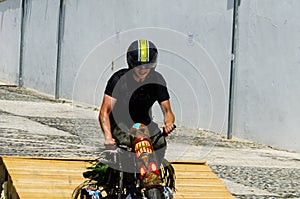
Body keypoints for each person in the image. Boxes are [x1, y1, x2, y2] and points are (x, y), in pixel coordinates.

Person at [98, 39, 175, 157]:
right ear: (132, 64)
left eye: (147, 66)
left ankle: (156, 172)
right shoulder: (118, 80)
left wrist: (168, 123)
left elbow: (167, 110)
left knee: (160, 143)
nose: (143, 70)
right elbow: (105, 112)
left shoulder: (158, 80)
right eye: (139, 66)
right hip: (120, 124)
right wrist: (108, 137)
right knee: (127, 145)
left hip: (144, 123)